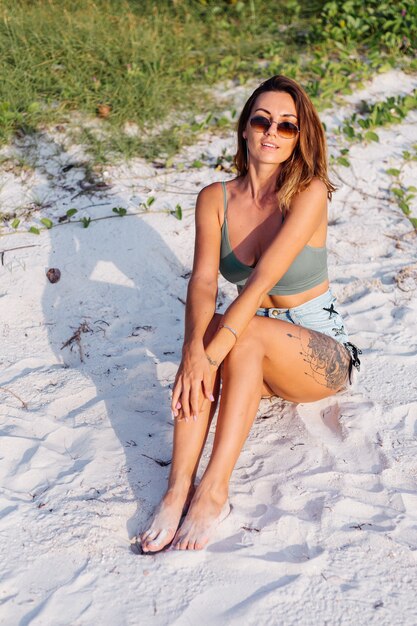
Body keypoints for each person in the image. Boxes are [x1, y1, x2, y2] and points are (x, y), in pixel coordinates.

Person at [140, 75, 361, 553]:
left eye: (287, 126)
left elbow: (259, 282)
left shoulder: (309, 192)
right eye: (262, 120)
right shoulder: (214, 199)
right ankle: (178, 487)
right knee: (214, 339)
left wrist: (209, 355)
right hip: (251, 336)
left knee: (234, 336)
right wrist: (191, 355)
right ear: (244, 128)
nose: (272, 132)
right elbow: (202, 282)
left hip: (319, 352)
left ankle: (213, 490)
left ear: (300, 137)